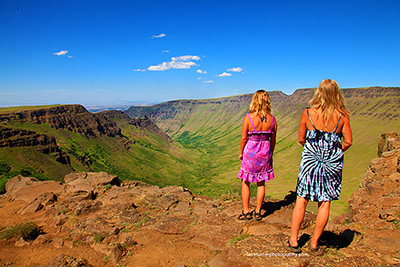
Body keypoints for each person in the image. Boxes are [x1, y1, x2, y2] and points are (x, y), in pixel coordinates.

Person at [286, 79, 352, 254]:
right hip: (331, 163)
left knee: (302, 199)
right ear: (336, 94)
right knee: (325, 202)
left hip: (310, 161)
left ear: (319, 93)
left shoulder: (307, 114)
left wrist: (312, 150)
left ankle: (293, 240)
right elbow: (348, 142)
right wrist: (334, 151)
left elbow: (301, 139)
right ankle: (314, 243)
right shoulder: (342, 116)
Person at [237, 90, 277, 221]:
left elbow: (243, 138)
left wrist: (242, 152)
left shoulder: (248, 118)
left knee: (246, 181)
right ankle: (258, 212)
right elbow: (273, 140)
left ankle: (246, 211)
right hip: (265, 152)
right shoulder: (272, 119)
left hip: (251, 152)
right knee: (261, 182)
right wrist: (269, 153)